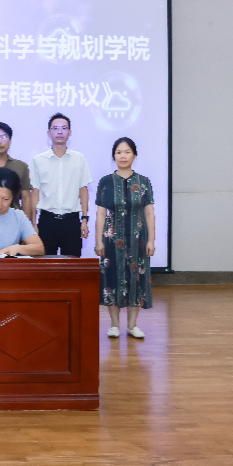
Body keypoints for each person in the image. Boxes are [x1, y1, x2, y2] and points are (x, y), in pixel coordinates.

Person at [95, 137, 155, 339]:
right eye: (119, 152)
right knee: (112, 278)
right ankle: (114, 325)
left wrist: (151, 240)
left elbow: (149, 213)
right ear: (114, 155)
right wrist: (98, 241)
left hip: (138, 240)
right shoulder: (105, 182)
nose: (123, 156)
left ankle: (132, 326)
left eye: (127, 152)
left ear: (134, 155)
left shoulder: (144, 182)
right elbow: (101, 214)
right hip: (112, 239)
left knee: (135, 279)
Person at [29, 112, 93, 257]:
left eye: (64, 128)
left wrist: (84, 220)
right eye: (55, 128)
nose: (59, 132)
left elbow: (83, 190)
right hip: (47, 221)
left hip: (71, 221)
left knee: (72, 266)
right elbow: (35, 192)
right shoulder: (38, 160)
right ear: (49, 133)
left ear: (69, 133)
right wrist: (34, 223)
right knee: (44, 265)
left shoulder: (79, 159)